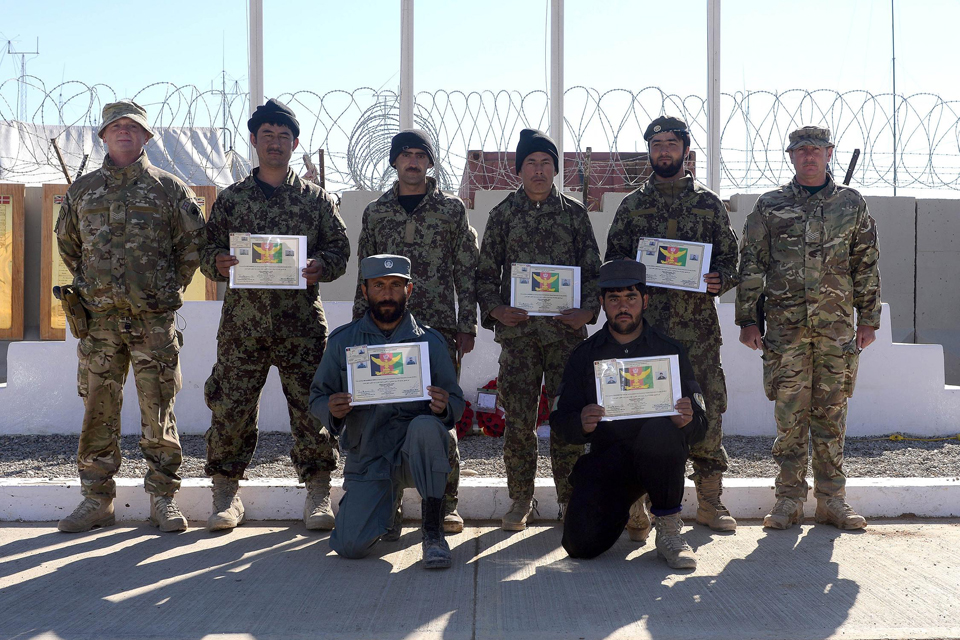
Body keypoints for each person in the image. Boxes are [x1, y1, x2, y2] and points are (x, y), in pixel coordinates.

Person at [200, 99, 350, 532]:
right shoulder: (232, 200)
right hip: (243, 326)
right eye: (267, 136)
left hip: (300, 324)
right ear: (253, 141)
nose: (275, 144)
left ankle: (318, 491)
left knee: (311, 409)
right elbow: (206, 251)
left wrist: (321, 265)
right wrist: (219, 263)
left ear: (295, 143)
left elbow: (340, 251)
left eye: (284, 137)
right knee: (231, 407)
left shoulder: (316, 200)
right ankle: (226, 492)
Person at [55, 100, 205, 533]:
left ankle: (163, 499)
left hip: (152, 320)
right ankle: (96, 500)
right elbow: (68, 244)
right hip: (99, 322)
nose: (123, 132)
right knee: (98, 409)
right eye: (115, 127)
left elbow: (191, 247)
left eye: (132, 127)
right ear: (103, 136)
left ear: (146, 137)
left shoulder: (169, 189)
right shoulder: (83, 191)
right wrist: (93, 286)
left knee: (159, 409)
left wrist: (165, 286)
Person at [736, 125, 881, 530]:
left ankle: (832, 499)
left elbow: (865, 262)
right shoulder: (771, 206)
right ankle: (788, 499)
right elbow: (752, 264)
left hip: (836, 330)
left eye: (816, 150)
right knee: (789, 416)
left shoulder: (851, 204)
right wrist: (748, 318)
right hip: (786, 330)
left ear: (829, 153)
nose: (809, 157)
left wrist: (869, 318)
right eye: (801, 151)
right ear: (791, 156)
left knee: (832, 414)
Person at [605, 115, 740, 537]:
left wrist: (722, 278)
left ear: (685, 149)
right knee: (640, 412)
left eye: (671, 143)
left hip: (697, 332)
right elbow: (612, 265)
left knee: (706, 412)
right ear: (649, 150)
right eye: (656, 143)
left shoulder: (708, 203)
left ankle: (710, 501)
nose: (663, 150)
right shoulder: (631, 206)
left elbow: (732, 260)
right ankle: (638, 505)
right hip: (643, 335)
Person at [353, 129, 479, 534]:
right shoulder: (376, 212)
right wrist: (359, 329)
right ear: (394, 161)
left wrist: (466, 325)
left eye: (420, 155)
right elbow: (364, 273)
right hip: (385, 331)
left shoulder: (452, 210)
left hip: (437, 330)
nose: (412, 161)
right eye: (405, 154)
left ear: (429, 162)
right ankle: (387, 503)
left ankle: (443, 503)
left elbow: (466, 270)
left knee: (440, 415)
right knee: (382, 414)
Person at [476, 128, 602, 530]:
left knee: (568, 419)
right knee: (519, 421)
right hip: (520, 339)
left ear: (555, 169)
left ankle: (569, 500)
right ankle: (520, 500)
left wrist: (587, 312)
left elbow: (594, 273)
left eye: (547, 162)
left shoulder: (574, 215)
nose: (539, 170)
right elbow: (483, 275)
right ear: (519, 169)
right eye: (531, 162)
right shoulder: (503, 215)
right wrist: (496, 309)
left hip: (565, 338)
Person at [310, 255, 464, 569]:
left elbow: (457, 401)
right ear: (365, 291)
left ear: (408, 289)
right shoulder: (344, 342)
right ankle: (387, 504)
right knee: (350, 546)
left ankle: (433, 533)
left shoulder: (430, 342)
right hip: (369, 455)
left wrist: (444, 404)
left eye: (395, 285)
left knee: (426, 426)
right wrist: (332, 408)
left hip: (414, 454)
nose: (387, 293)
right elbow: (317, 396)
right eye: (378, 285)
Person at [551, 260, 707, 569]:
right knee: (579, 546)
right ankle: (633, 504)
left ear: (645, 301)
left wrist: (688, 421)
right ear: (602, 304)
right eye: (614, 299)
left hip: (657, 455)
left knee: (662, 432)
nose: (623, 307)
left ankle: (668, 529)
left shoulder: (670, 352)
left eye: (631, 298)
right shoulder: (585, 355)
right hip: (610, 461)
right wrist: (580, 423)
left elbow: (701, 423)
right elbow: (560, 420)